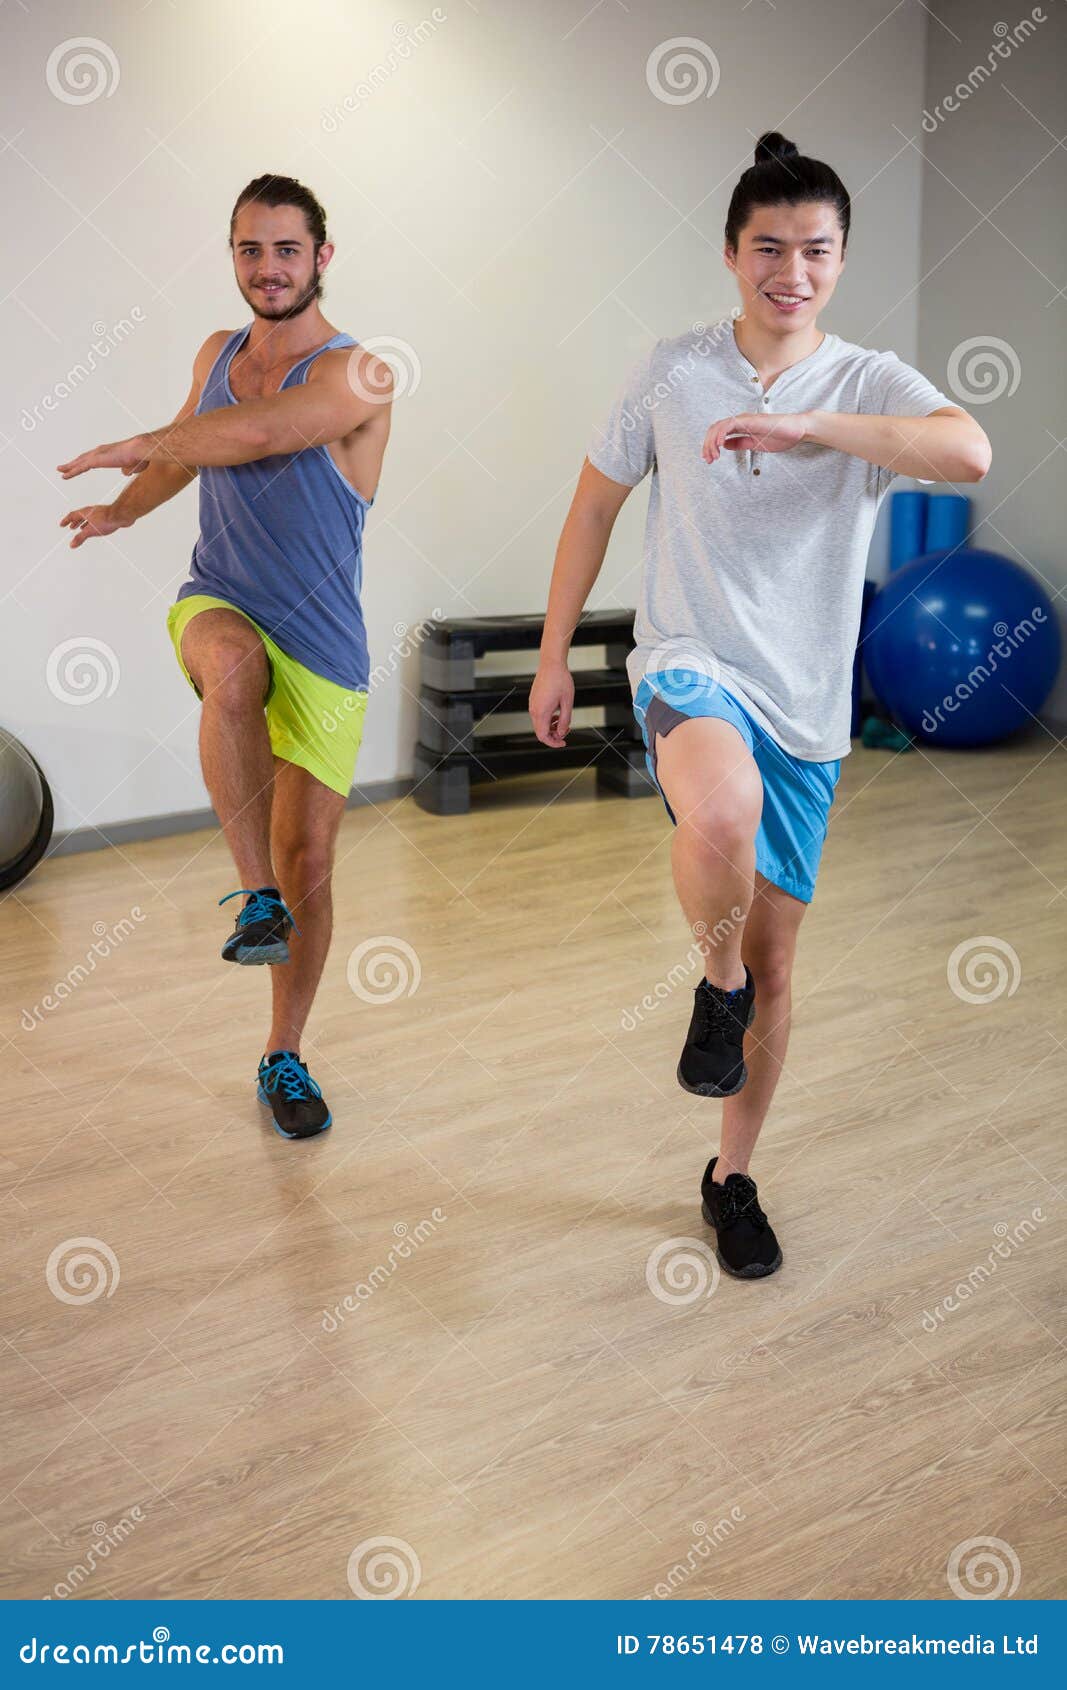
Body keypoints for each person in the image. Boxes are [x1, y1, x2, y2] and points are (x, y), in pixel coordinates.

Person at [531, 131, 991, 1278]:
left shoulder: (869, 382)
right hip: (688, 661)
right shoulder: (671, 368)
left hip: (806, 703)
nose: (791, 269)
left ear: (840, 260)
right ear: (731, 254)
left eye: (815, 250)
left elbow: (967, 453)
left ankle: (730, 1176)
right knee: (719, 816)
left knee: (783, 965)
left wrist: (805, 427)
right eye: (767, 247)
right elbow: (590, 512)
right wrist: (552, 657)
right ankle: (714, 982)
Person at [57, 174, 393, 1141]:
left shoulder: (360, 373)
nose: (267, 266)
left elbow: (258, 433)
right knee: (230, 669)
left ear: (322, 257)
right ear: (234, 257)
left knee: (313, 860)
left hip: (325, 640)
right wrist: (126, 504)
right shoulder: (217, 350)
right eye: (249, 249)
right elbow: (194, 451)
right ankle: (253, 902)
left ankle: (282, 1052)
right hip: (222, 598)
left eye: (286, 249)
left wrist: (139, 441)